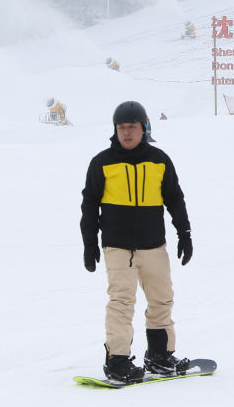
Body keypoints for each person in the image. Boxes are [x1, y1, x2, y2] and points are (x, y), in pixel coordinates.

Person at [80, 101, 193, 383]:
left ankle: (159, 355)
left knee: (161, 300)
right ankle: (117, 361)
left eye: (132, 127)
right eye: (121, 128)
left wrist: (185, 234)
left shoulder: (159, 160)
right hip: (118, 247)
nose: (126, 133)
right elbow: (89, 205)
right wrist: (89, 244)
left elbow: (175, 200)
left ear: (144, 128)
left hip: (154, 246)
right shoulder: (102, 162)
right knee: (121, 302)